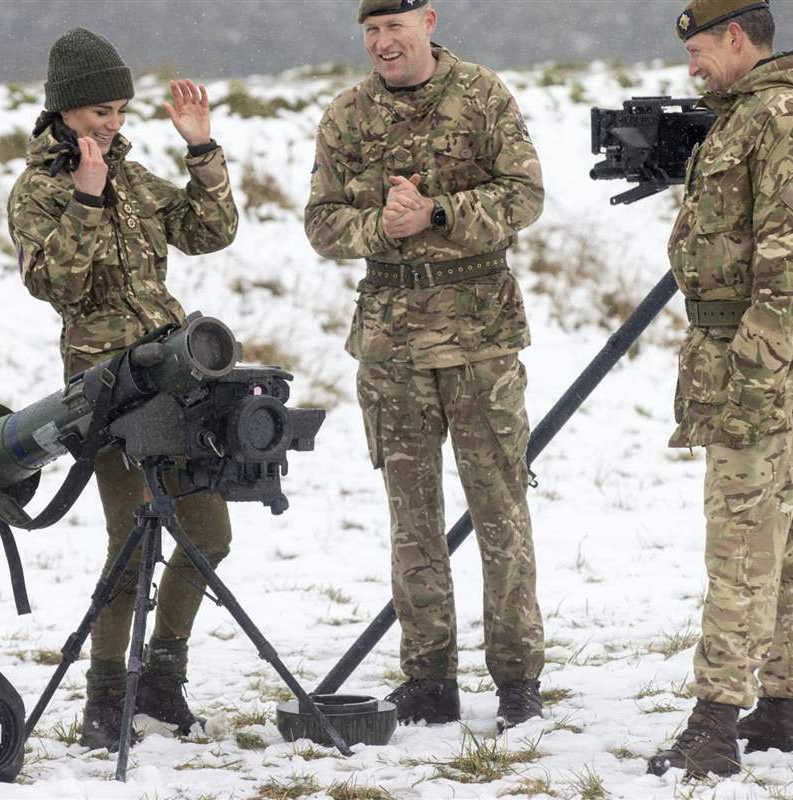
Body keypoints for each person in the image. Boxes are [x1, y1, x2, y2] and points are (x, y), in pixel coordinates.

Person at [304, 0, 546, 731]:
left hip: (479, 340)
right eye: (371, 31)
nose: (383, 43)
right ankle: (429, 679)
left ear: (429, 23)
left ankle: (516, 681)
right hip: (391, 346)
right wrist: (383, 223)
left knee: (500, 511)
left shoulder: (481, 94)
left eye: (395, 27)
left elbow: (525, 195)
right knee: (412, 519)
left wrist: (437, 213)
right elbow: (320, 222)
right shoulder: (346, 115)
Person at [7, 27, 238, 750]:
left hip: (177, 375)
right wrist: (83, 197)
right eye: (96, 110)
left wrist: (201, 151)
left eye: (118, 109)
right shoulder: (37, 191)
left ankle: (162, 683)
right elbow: (55, 285)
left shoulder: (138, 181)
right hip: (103, 390)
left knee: (207, 533)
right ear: (63, 111)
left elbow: (212, 231)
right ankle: (106, 700)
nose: (109, 123)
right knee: (131, 540)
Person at [647, 0, 793, 778]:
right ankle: (787, 705)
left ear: (734, 37)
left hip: (754, 353)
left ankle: (714, 722)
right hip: (738, 347)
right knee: (784, 534)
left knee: (741, 539)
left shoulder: (782, 115)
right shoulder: (745, 114)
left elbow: (792, 264)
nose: (691, 65)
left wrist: (754, 369)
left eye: (698, 49)